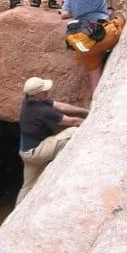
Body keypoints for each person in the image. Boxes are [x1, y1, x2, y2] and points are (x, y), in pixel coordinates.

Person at [16, 77, 88, 205]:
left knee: (28, 186)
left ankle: (15, 215)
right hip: (37, 153)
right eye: (44, 90)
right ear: (37, 94)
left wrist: (85, 111)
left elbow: (61, 106)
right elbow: (72, 121)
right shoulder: (42, 111)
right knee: (72, 131)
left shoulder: (28, 102)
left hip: (25, 152)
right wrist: (91, 120)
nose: (47, 91)